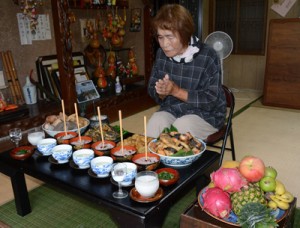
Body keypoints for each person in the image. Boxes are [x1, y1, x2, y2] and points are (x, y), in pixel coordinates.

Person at [146, 4, 227, 140]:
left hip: (207, 114)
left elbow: (211, 99)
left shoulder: (208, 56)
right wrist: (161, 92)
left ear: (184, 33)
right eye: (160, 37)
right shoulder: (161, 54)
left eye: (170, 37)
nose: (164, 44)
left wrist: (176, 91)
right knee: (155, 123)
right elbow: (151, 89)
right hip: (172, 109)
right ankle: (154, 160)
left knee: (180, 130)